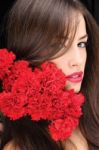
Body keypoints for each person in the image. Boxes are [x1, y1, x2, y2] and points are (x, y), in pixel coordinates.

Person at [0, 0, 99, 149]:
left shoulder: (93, 111)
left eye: (81, 44)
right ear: (30, 51)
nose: (78, 60)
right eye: (60, 46)